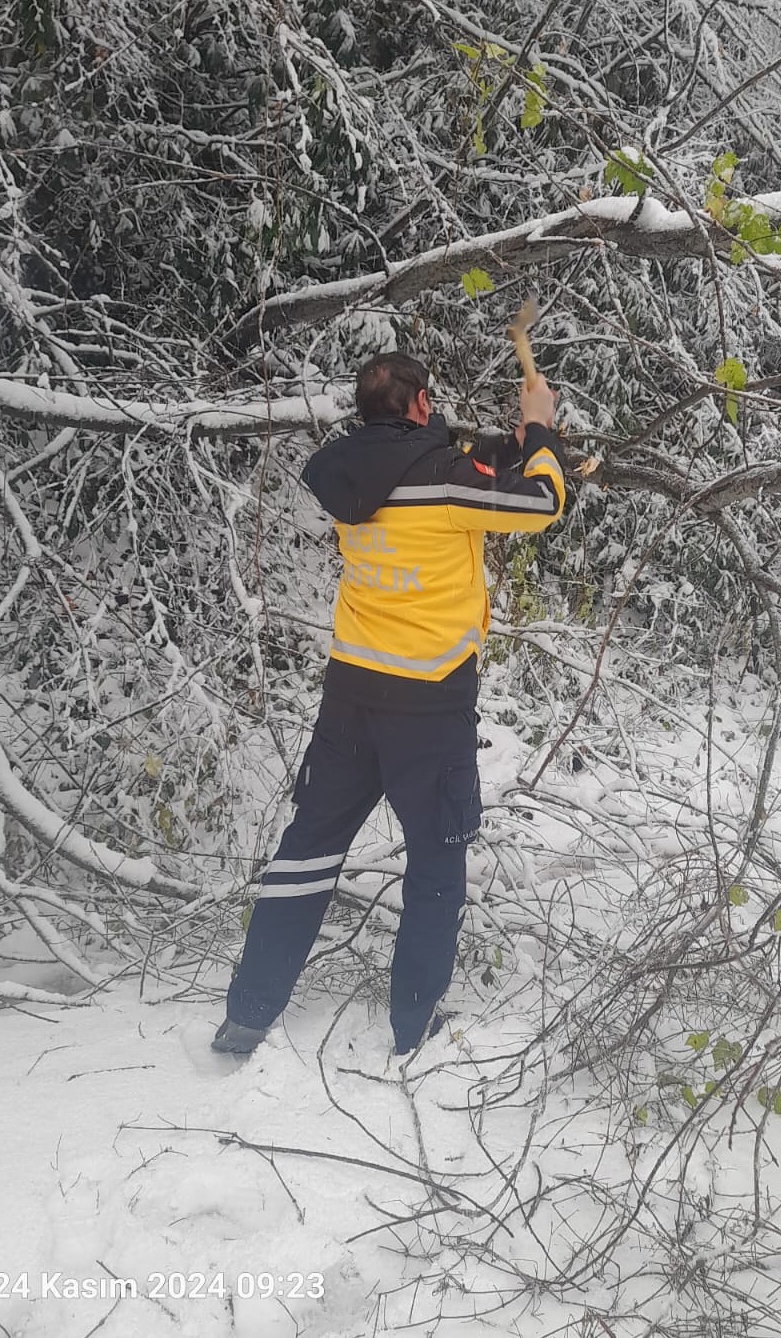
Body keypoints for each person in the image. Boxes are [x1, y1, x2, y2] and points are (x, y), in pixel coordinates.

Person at [213, 351, 565, 1056]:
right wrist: (541, 430)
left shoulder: (345, 475)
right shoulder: (443, 482)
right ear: (420, 405)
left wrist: (499, 447)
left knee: (307, 851)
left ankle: (247, 1016)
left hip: (350, 694)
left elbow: (433, 466)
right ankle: (414, 1028)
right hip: (429, 705)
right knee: (436, 864)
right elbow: (539, 504)